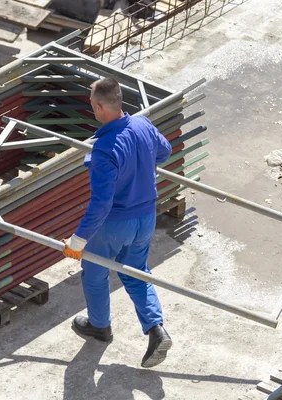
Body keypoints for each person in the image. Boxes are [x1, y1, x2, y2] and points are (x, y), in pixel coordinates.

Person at [62, 77, 173, 368]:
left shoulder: (103, 148)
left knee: (96, 272)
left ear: (99, 107)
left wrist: (78, 240)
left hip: (115, 223)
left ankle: (100, 326)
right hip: (146, 217)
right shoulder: (143, 124)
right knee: (137, 271)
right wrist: (139, 164)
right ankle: (156, 329)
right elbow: (165, 151)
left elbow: (102, 203)